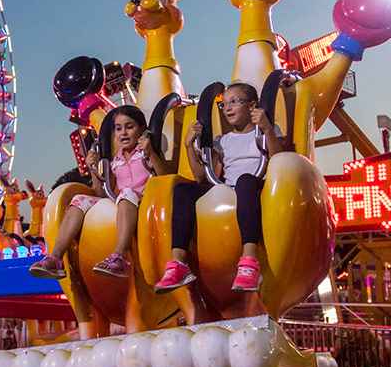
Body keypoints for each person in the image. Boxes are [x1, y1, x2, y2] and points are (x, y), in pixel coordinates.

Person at [155, 82, 283, 293]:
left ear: (252, 106)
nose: (228, 108)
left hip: (256, 186)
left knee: (245, 180)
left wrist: (267, 128)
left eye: (235, 102)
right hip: (229, 188)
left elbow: (279, 160)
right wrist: (189, 146)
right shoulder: (223, 141)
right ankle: (179, 264)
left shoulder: (264, 132)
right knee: (183, 190)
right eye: (224, 105)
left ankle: (250, 261)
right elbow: (201, 176)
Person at [29, 106, 162, 280]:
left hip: (146, 201)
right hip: (122, 202)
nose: (123, 133)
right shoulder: (115, 161)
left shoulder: (146, 153)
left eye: (129, 127)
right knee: (79, 199)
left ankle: (120, 256)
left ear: (142, 130)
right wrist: (93, 168)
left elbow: (165, 176)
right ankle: (55, 258)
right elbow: (101, 193)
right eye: (118, 128)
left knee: (127, 193)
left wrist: (151, 153)